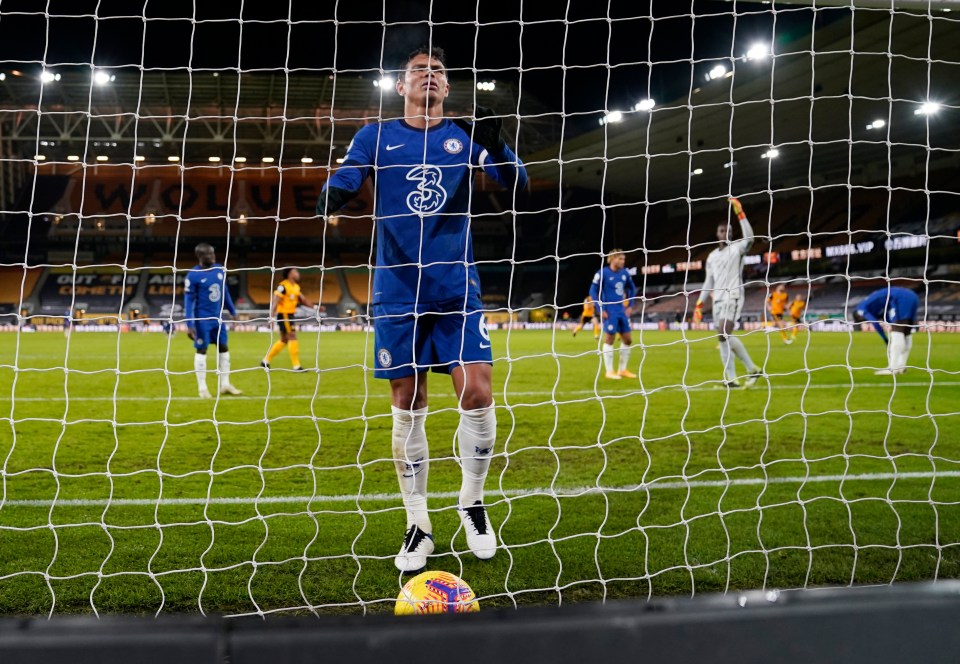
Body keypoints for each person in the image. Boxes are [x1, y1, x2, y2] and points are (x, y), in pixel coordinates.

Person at [317, 45, 528, 573]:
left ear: (447, 87)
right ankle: (419, 524)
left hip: (456, 288)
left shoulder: (463, 136)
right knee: (408, 400)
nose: (429, 76)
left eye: (438, 70)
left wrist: (498, 145)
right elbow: (349, 175)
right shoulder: (377, 136)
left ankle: (472, 503)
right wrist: (332, 195)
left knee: (477, 392)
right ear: (401, 86)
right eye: (419, 71)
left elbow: (514, 182)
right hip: (395, 290)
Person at [693, 197, 763, 388]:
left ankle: (751, 369)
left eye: (729, 231)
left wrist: (740, 213)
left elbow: (750, 238)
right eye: (723, 230)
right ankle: (733, 378)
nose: (726, 233)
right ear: (717, 233)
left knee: (724, 333)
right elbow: (709, 280)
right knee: (722, 338)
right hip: (717, 300)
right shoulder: (712, 256)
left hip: (733, 296)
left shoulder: (737, 248)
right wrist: (699, 304)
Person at [183, 242, 242, 398]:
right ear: (201, 256)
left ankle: (225, 384)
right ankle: (202, 388)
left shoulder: (219, 269)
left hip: (219, 319)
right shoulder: (193, 275)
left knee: (224, 347)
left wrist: (233, 312)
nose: (212, 256)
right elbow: (188, 301)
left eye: (213, 253)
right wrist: (189, 324)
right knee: (202, 350)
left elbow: (225, 293)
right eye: (209, 254)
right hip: (202, 319)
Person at [589, 249, 637, 380]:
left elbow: (632, 288)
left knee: (628, 339)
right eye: (620, 259)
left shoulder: (625, 273)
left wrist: (630, 306)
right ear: (612, 259)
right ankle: (609, 371)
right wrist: (600, 308)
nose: (623, 261)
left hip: (622, 310)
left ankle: (623, 370)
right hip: (609, 310)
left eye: (624, 259)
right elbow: (593, 291)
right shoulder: (602, 273)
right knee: (609, 338)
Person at [852, 285, 920, 375]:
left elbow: (875, 323)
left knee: (897, 332)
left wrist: (885, 339)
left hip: (900, 298)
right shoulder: (875, 305)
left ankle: (893, 368)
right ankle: (901, 366)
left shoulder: (861, 309)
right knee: (906, 332)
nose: (865, 321)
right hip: (912, 296)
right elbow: (888, 317)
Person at [261, 267, 315, 371]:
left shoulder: (296, 287)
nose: (298, 273)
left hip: (290, 315)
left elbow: (303, 300)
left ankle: (265, 361)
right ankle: (296, 366)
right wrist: (271, 317)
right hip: (284, 314)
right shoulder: (283, 286)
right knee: (292, 337)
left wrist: (315, 307)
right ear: (290, 274)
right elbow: (275, 301)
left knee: (284, 340)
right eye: (296, 271)